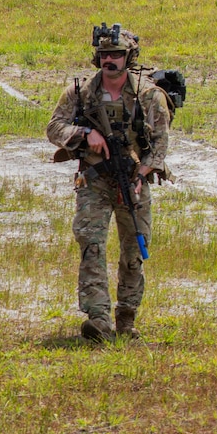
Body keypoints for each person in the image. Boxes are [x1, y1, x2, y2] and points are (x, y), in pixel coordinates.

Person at [47, 26, 172, 342]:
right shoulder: (80, 92)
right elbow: (54, 128)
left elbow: (159, 144)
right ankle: (98, 319)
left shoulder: (149, 95)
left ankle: (126, 319)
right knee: (91, 246)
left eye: (116, 54)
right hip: (94, 180)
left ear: (129, 57)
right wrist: (85, 135)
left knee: (134, 252)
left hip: (133, 182)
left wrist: (142, 174)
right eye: (104, 54)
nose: (110, 60)